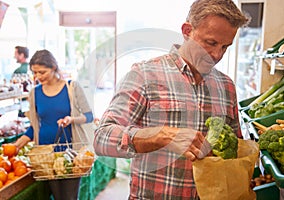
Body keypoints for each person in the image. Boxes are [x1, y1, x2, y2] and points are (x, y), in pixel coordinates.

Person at [94, 0, 250, 199]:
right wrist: (163, 136)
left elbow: (236, 147)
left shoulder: (226, 86)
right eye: (210, 43)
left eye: (225, 47)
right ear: (187, 31)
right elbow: (102, 137)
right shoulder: (145, 74)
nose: (217, 55)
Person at [14, 49, 94, 200]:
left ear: (54, 68)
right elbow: (35, 126)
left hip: (70, 152)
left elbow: (89, 116)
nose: (38, 77)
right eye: (35, 73)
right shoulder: (34, 93)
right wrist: (18, 144)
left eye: (42, 72)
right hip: (46, 155)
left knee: (69, 197)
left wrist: (71, 119)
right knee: (57, 197)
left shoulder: (72, 87)